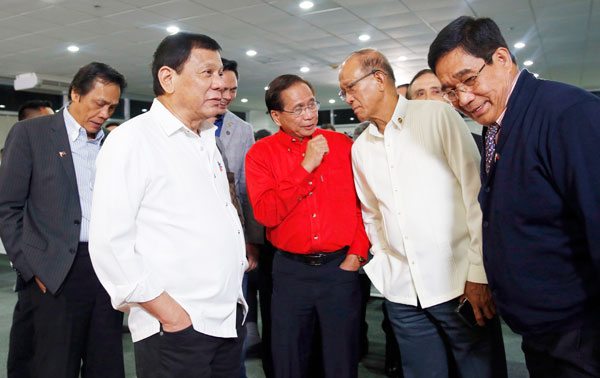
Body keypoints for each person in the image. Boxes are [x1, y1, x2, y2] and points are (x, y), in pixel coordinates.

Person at [429, 16, 600, 377]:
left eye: (469, 80)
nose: (463, 98)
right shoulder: (499, 124)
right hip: (539, 325)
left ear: (502, 59)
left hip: (579, 329)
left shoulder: (568, 113)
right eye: (450, 90)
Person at [88, 32, 247, 378]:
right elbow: (110, 246)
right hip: (177, 328)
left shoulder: (205, 138)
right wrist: (173, 316)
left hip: (226, 319)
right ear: (167, 78)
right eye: (207, 73)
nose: (219, 84)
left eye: (221, 73)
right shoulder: (132, 140)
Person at [340, 48, 506, 378]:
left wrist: (478, 274)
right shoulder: (361, 148)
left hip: (458, 286)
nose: (346, 98)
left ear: (378, 79)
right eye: (343, 91)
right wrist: (385, 269)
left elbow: (476, 197)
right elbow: (373, 214)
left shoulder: (436, 117)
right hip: (402, 294)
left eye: (350, 87)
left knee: (479, 371)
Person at [0, 62, 127, 378]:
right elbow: (8, 207)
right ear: (75, 93)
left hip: (104, 268)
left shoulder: (114, 144)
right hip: (54, 271)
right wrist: (31, 268)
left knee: (106, 363)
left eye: (111, 106)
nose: (104, 113)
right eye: (99, 103)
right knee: (53, 364)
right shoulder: (32, 134)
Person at [245, 74, 370, 378]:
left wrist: (356, 256)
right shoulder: (260, 155)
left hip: (339, 269)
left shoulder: (344, 147)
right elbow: (267, 214)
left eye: (311, 104)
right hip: (290, 273)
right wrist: (305, 167)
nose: (309, 114)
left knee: (341, 359)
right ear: (276, 116)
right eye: (298, 108)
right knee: (289, 359)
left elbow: (364, 206)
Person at [212, 57, 263, 378]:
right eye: (222, 88)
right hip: (197, 245)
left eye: (233, 89)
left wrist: (251, 241)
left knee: (234, 323)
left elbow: (247, 191)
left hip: (235, 242)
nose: (228, 95)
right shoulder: (187, 124)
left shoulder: (241, 129)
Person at [5, 100, 55, 378]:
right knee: (27, 334)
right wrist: (26, 265)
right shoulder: (20, 154)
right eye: (44, 120)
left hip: (52, 263)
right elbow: (10, 210)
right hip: (32, 265)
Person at [409, 69, 483, 152]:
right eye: (420, 94)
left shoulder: (482, 148)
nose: (428, 99)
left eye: (436, 91)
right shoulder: (401, 149)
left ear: (450, 98)